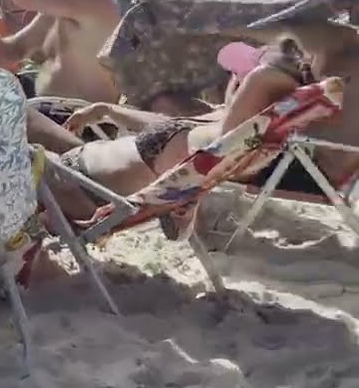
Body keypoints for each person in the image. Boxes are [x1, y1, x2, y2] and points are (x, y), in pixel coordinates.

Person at [46, 20, 359, 234]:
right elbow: (174, 129)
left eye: (236, 78)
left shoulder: (230, 139)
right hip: (84, 170)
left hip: (71, 183)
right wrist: (108, 109)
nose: (229, 82)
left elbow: (191, 136)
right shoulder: (229, 132)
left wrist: (255, 79)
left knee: (28, 120)